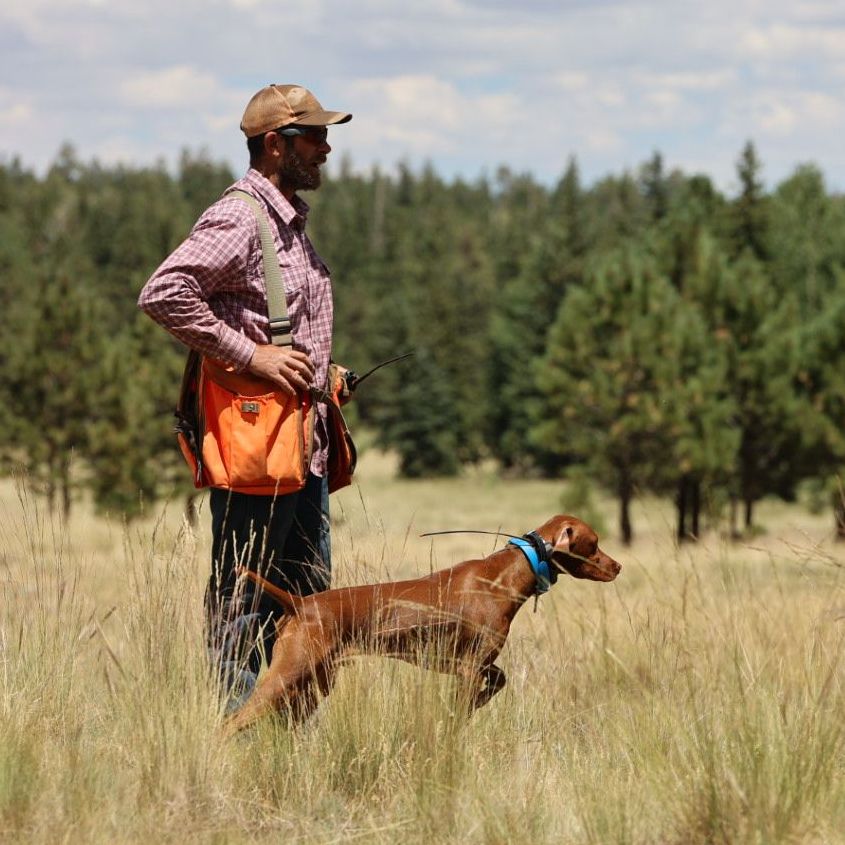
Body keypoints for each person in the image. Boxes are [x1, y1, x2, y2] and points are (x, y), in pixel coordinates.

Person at [138, 84, 352, 704]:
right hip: (258, 450)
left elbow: (275, 319)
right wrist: (252, 355)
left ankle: (289, 738)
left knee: (305, 601)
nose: (327, 147)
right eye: (314, 136)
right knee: (243, 597)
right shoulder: (239, 217)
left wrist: (321, 372)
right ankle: (236, 738)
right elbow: (164, 292)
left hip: (300, 448)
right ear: (275, 145)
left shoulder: (288, 222)